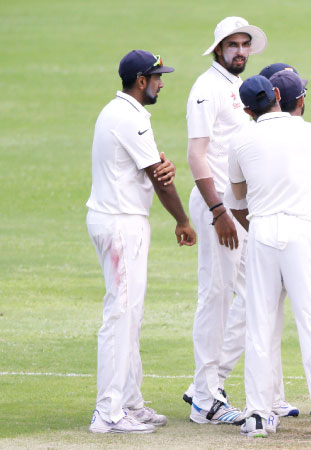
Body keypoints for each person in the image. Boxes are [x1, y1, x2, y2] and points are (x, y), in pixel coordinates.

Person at [230, 75, 311, 439]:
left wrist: (261, 231)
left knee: (260, 326)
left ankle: (257, 415)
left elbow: (237, 202)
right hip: (303, 232)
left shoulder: (240, 140)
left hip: (262, 232)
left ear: (247, 108)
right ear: (278, 97)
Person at [86, 50, 196, 433]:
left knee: (130, 313)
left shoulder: (115, 112)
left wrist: (160, 168)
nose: (161, 83)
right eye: (157, 78)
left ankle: (130, 403)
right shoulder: (130, 119)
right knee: (121, 315)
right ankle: (108, 412)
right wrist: (183, 220)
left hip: (117, 220)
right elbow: (159, 177)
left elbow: (153, 169)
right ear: (140, 80)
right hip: (121, 225)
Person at [184, 16, 266, 425]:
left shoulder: (235, 87)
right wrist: (218, 211)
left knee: (257, 293)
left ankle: (207, 381)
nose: (239, 51)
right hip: (216, 206)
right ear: (218, 49)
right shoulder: (207, 88)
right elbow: (196, 155)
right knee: (216, 296)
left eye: (244, 44)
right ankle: (205, 399)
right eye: (231, 44)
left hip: (235, 208)